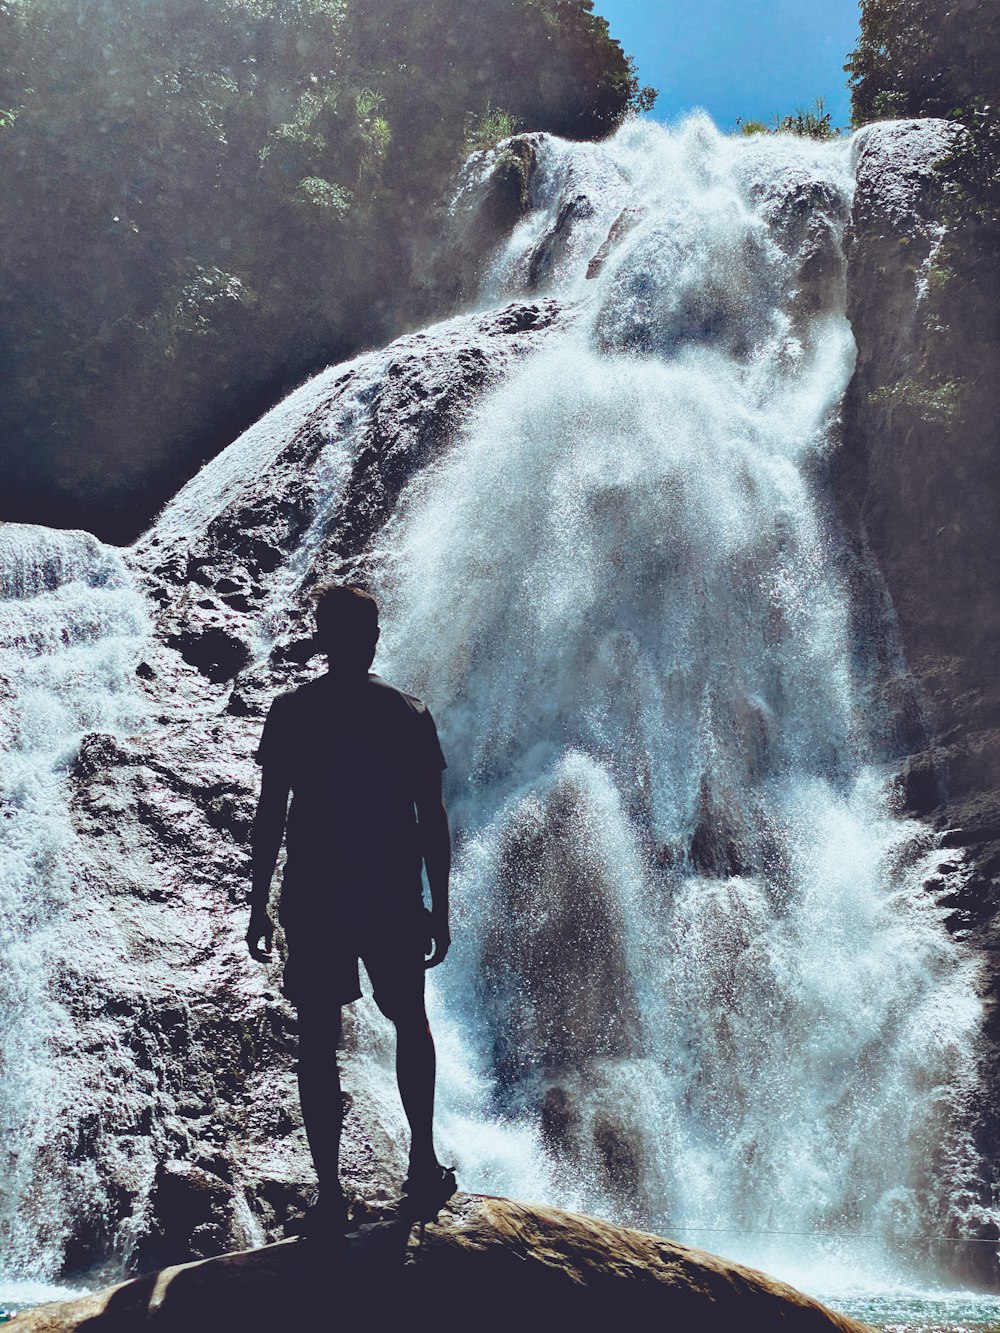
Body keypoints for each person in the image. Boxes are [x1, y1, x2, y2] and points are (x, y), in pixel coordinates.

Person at [246, 583, 454, 1236]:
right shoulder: (408, 712)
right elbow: (432, 820)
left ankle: (330, 1196)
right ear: (371, 638)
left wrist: (258, 904)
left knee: (316, 1038)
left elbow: (269, 817)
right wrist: (440, 905)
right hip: (391, 892)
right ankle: (421, 1167)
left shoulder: (292, 711)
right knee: (410, 1020)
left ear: (322, 638)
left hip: (313, 895)